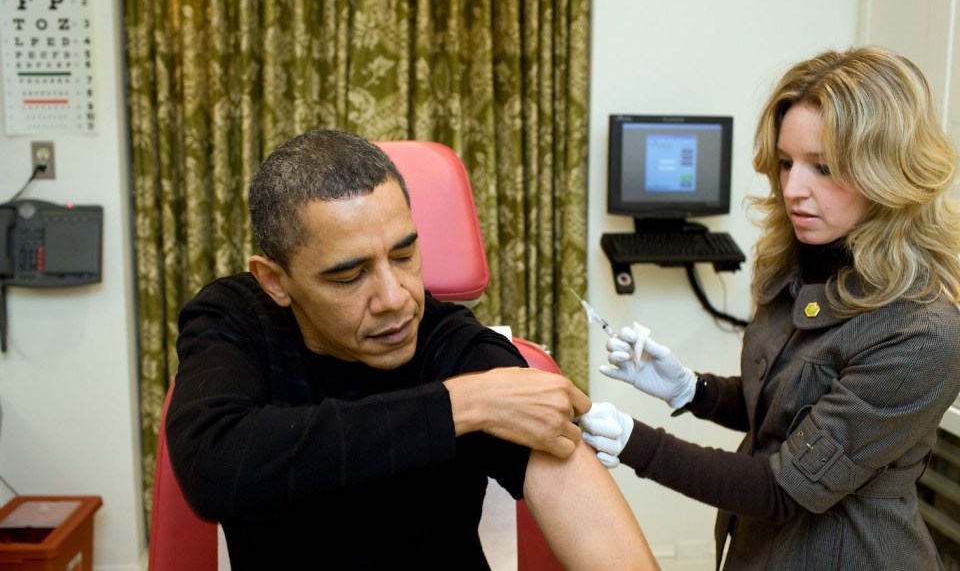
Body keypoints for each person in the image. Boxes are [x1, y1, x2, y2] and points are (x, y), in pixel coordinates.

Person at [166, 128, 659, 570]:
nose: (396, 299)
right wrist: (464, 406)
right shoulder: (236, 320)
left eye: (404, 256)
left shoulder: (457, 347)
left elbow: (602, 537)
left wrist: (478, 395)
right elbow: (215, 466)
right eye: (349, 275)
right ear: (275, 280)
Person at [579, 46, 960, 570]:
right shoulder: (796, 269)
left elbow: (785, 486)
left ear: (886, 173)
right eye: (785, 162)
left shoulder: (922, 333)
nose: (792, 189)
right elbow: (784, 408)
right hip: (761, 547)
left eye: (823, 168)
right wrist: (694, 389)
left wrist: (635, 442)